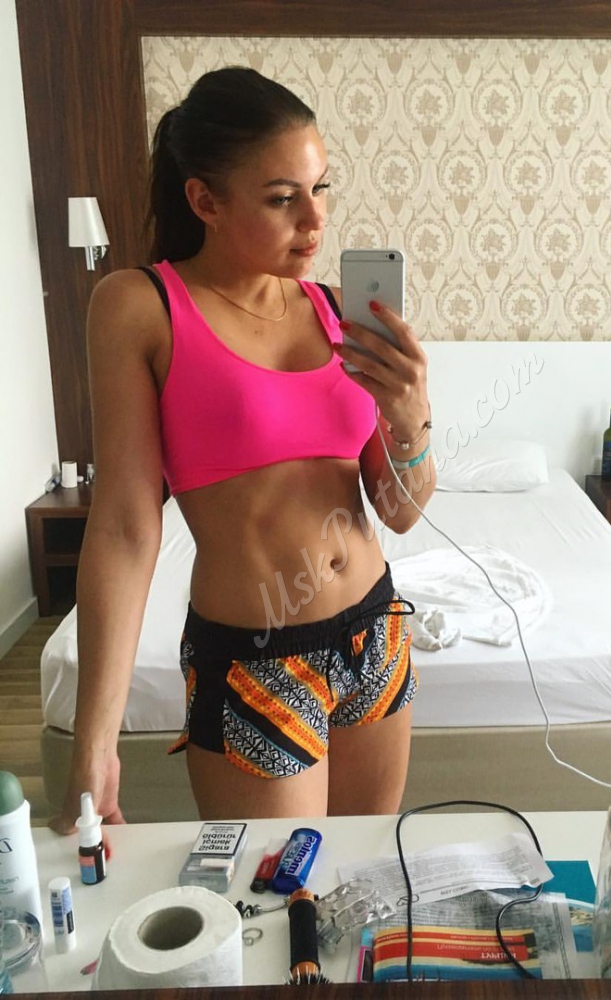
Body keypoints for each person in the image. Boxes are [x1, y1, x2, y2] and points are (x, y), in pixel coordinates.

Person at [51, 67, 435, 832]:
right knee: (276, 890)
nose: (315, 220)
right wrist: (95, 743)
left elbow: (400, 511)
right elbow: (125, 528)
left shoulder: (340, 313)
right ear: (206, 201)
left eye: (321, 188)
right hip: (258, 661)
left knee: (362, 874)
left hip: (374, 632)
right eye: (283, 197)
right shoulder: (139, 306)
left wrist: (410, 416)